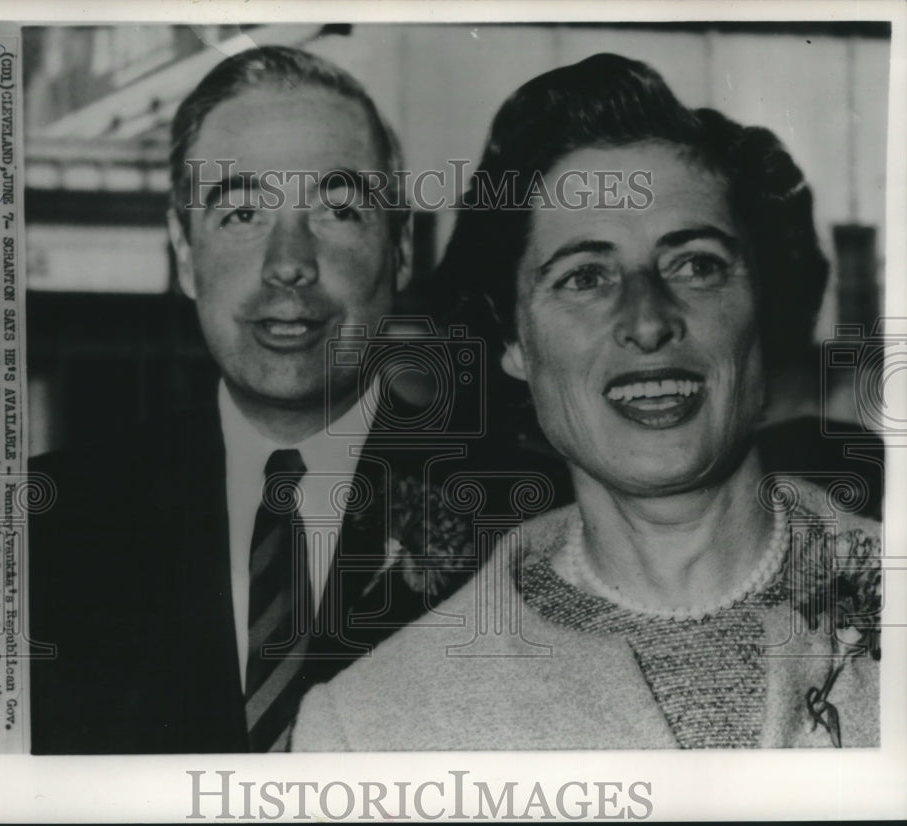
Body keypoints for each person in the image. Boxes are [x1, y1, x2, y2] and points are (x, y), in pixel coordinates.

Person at [292, 53, 881, 750]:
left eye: (695, 264)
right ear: (513, 338)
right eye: (584, 276)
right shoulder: (370, 728)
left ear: (763, 304)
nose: (648, 321)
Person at [29, 46, 555, 754]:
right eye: (242, 213)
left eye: (337, 211)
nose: (288, 264)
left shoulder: (525, 521)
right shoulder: (42, 529)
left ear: (400, 248)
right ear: (185, 253)